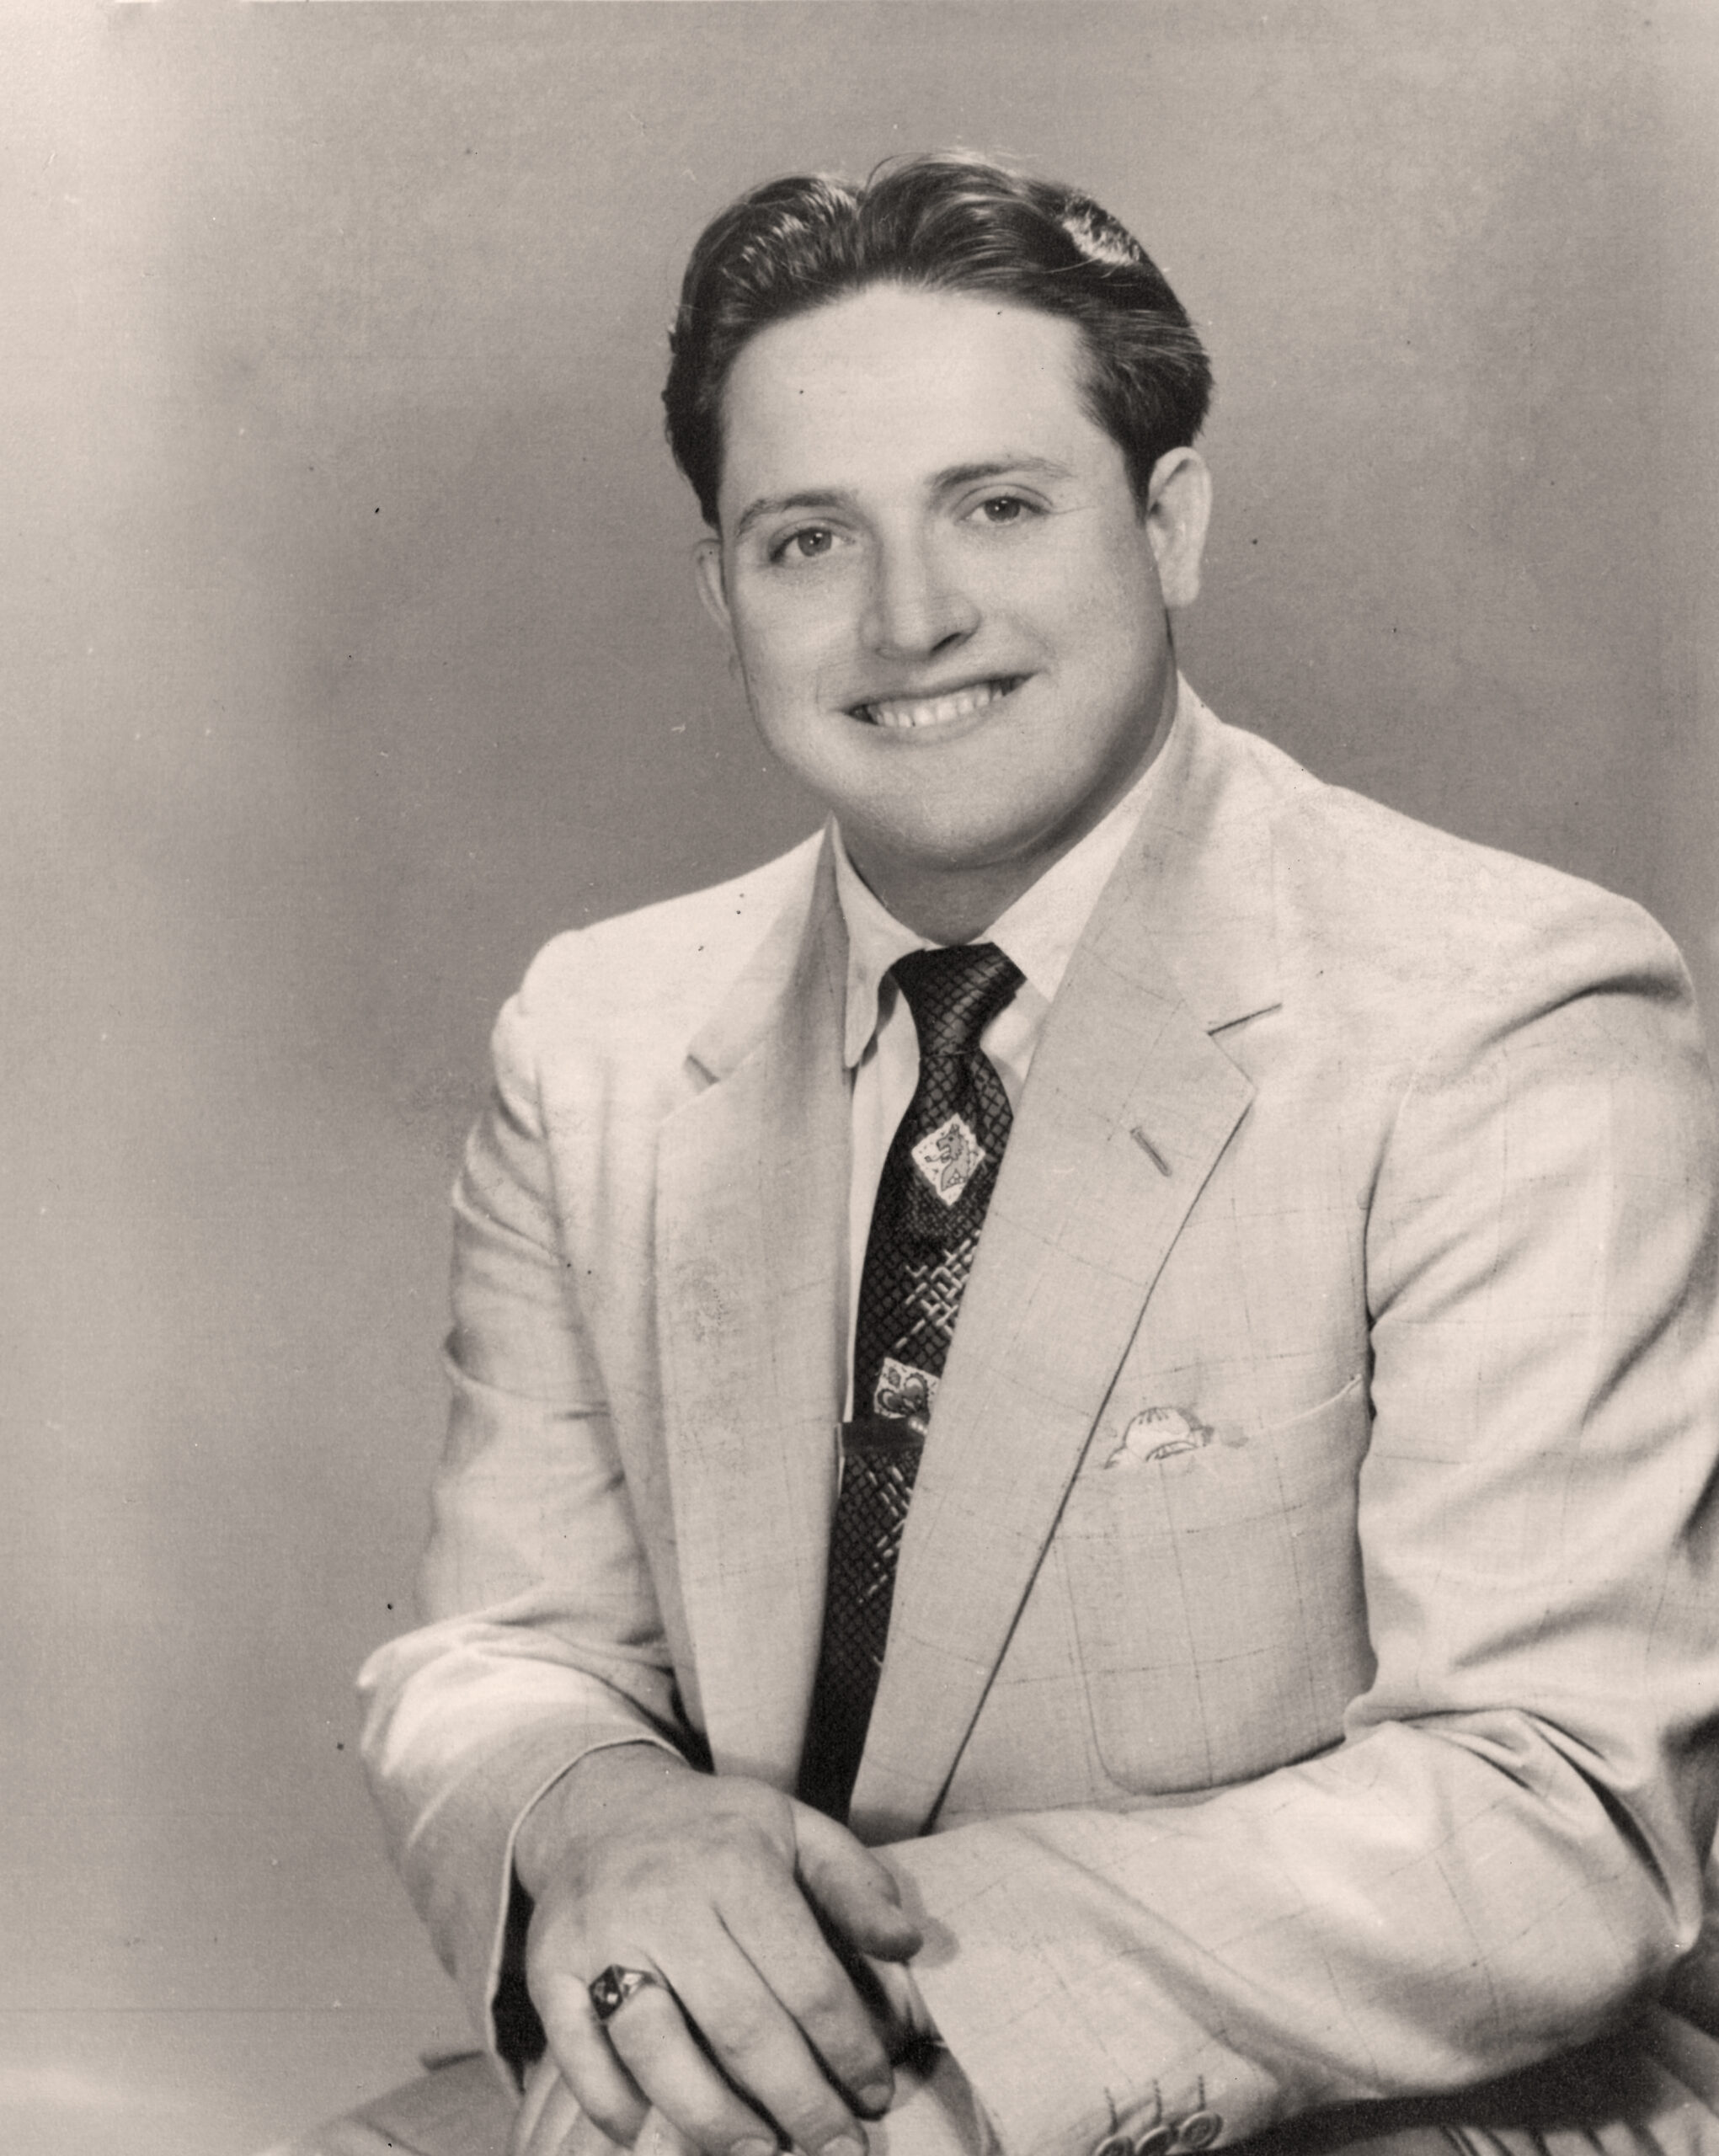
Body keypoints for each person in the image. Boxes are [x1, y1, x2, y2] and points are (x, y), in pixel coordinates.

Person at [313, 155, 1719, 2156]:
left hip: (1363, 2094)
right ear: (721, 592)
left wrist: (839, 1993)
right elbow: (506, 1647)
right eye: (809, 539)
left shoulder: (1500, 1006)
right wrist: (600, 1819)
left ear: (1168, 521)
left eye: (995, 503)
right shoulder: (604, 1035)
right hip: (762, 2076)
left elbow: (1556, 1799)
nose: (908, 618)